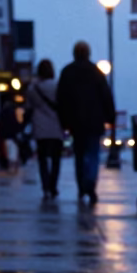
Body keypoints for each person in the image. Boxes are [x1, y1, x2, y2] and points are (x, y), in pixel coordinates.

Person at [55, 40, 114, 205]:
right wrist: (110, 117)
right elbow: (106, 96)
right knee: (93, 154)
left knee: (79, 155)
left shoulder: (67, 72)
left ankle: (81, 186)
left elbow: (61, 99)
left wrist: (63, 121)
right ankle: (90, 182)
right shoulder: (96, 72)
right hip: (94, 121)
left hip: (75, 122)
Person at [24, 59, 64, 199]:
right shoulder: (58, 86)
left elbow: (28, 108)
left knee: (42, 159)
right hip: (56, 126)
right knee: (56, 159)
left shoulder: (32, 88)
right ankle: (53, 186)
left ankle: (45, 186)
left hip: (39, 126)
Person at [0, 95, 25, 172]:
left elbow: (0, 125)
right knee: (13, 151)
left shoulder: (2, 114)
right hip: (12, 136)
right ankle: (13, 166)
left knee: (8, 151)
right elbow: (17, 124)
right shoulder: (13, 113)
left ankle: (10, 166)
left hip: (6, 136)